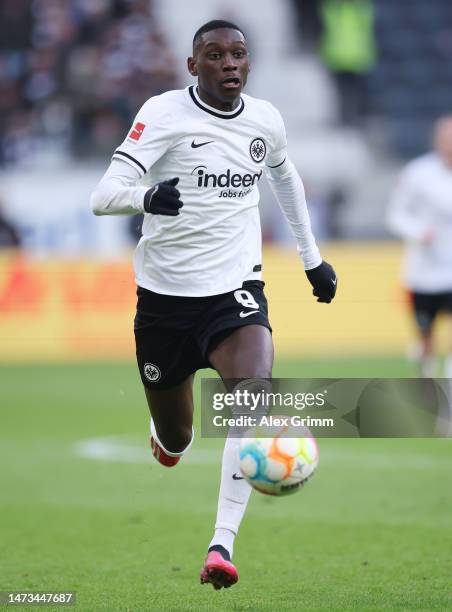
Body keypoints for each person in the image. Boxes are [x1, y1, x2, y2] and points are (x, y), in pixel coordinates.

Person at [91, 20, 337, 590]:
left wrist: (311, 259)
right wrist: (145, 196)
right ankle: (166, 437)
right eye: (216, 55)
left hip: (235, 290)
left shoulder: (265, 120)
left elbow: (286, 178)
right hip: (164, 301)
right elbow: (102, 195)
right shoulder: (164, 114)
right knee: (178, 437)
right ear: (193, 65)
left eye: (239, 54)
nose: (230, 64)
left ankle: (220, 545)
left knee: (250, 403)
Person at [387, 116, 452, 378]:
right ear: (437, 140)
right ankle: (427, 377)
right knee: (425, 338)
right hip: (423, 274)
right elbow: (395, 215)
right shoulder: (417, 173)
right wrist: (418, 232)